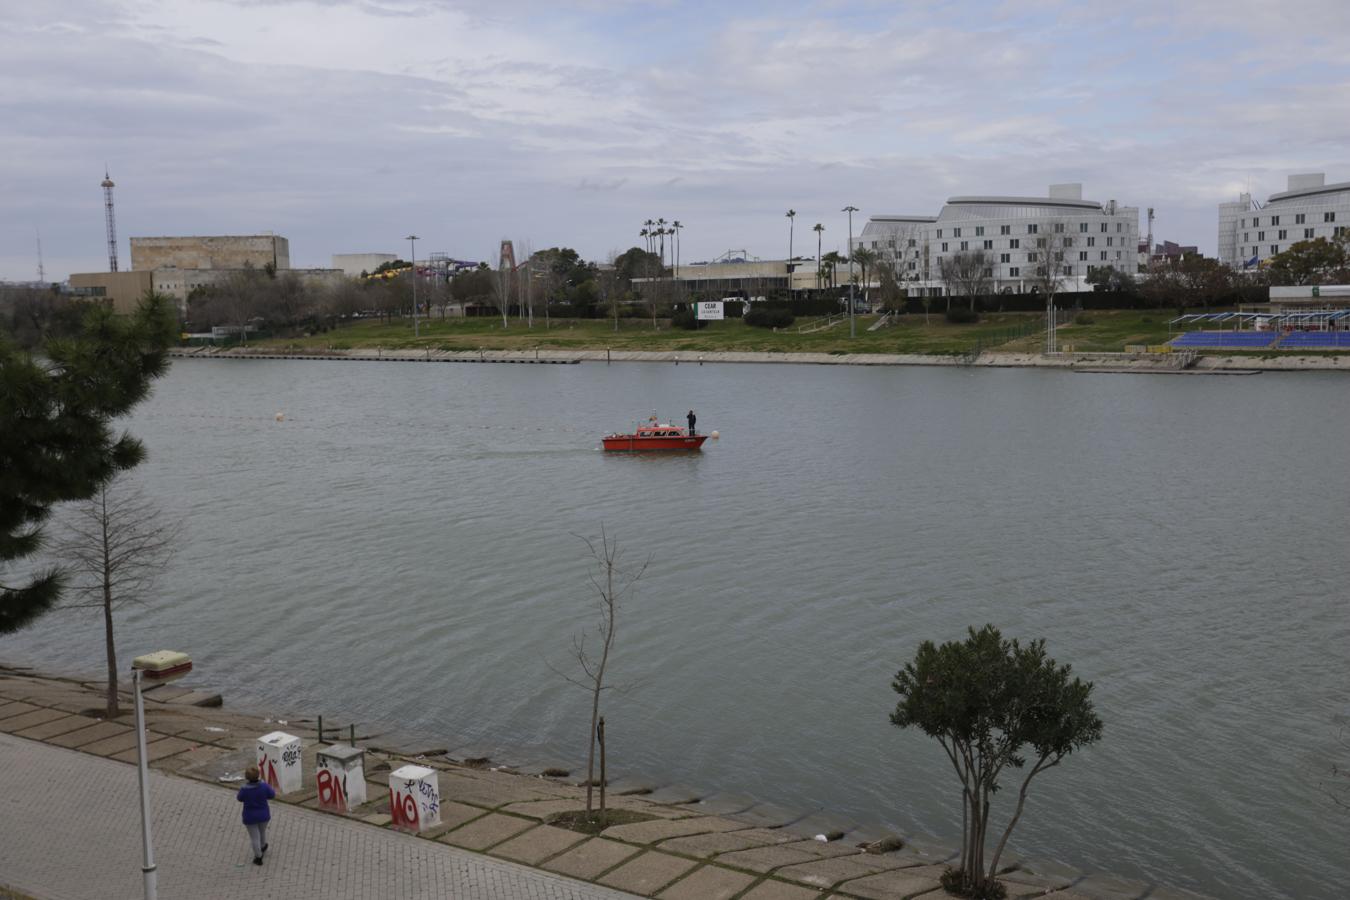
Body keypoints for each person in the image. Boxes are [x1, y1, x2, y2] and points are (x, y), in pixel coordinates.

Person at [237, 765, 276, 865]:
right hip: (263, 815)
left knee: (254, 837)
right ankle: (263, 846)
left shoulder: (244, 789)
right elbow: (272, 795)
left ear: (247, 777)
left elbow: (239, 798)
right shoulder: (264, 786)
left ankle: (258, 857)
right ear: (258, 775)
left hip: (250, 817)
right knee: (262, 832)